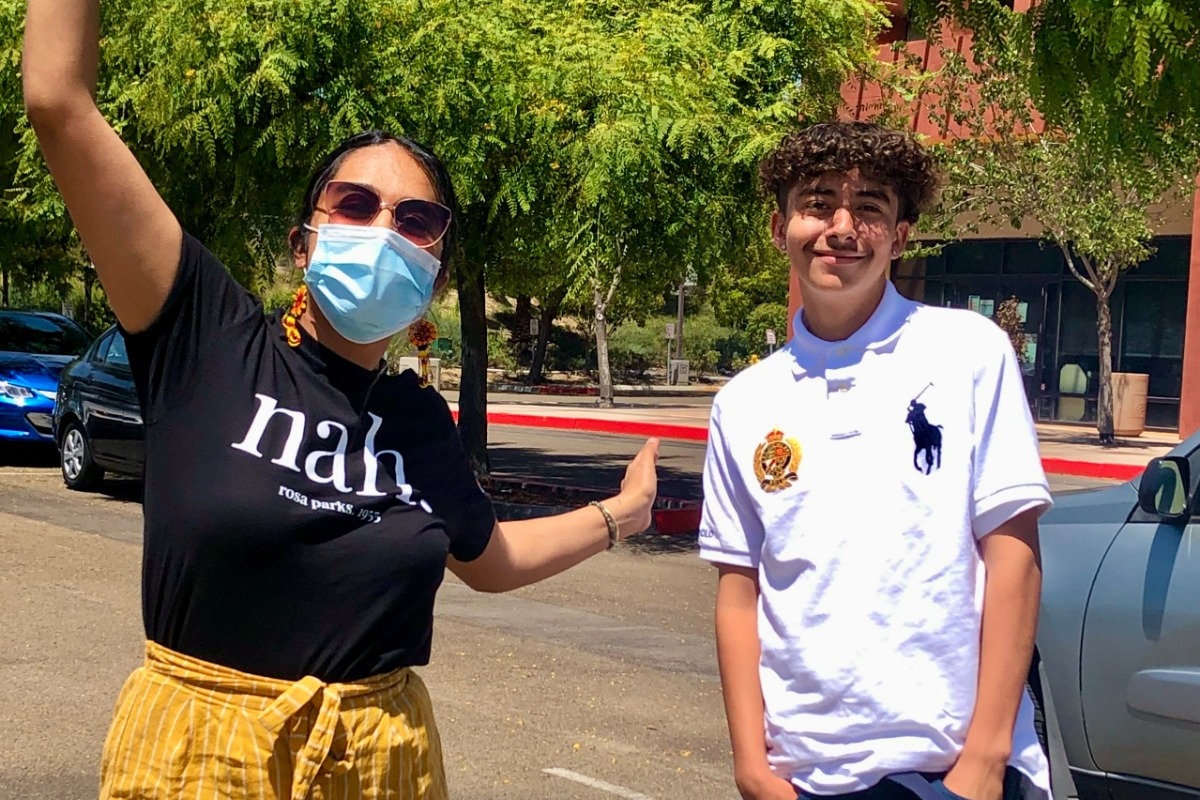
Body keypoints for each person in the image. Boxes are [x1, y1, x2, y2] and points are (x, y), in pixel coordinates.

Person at [22, 2, 659, 798]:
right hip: (199, 755)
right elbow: (58, 101)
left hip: (378, 759)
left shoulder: (419, 422)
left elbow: (491, 560)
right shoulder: (206, 337)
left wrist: (622, 515)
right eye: (355, 205)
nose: (384, 229)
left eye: (416, 220)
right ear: (303, 243)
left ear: (436, 276)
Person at [699, 121, 1051, 800]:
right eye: (818, 204)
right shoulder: (743, 403)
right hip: (802, 774)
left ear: (900, 235)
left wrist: (984, 758)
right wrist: (752, 767)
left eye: (868, 208)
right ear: (779, 228)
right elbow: (739, 589)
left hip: (945, 768)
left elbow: (1014, 554)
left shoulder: (968, 353)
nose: (841, 227)